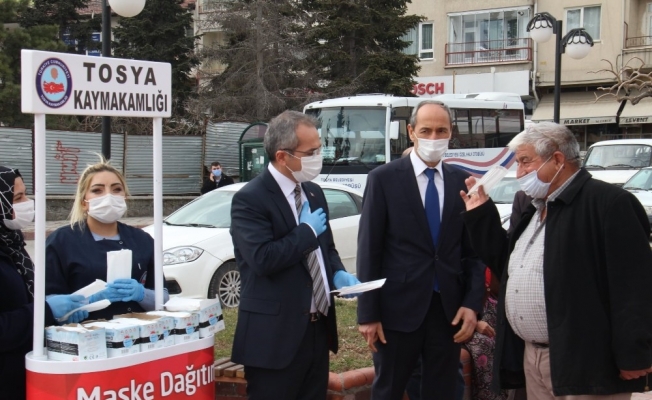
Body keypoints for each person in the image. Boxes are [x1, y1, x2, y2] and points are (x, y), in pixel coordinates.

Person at [460, 122, 652, 399]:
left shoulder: (608, 203)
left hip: (586, 362)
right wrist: (481, 215)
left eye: (525, 161)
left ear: (558, 159)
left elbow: (634, 286)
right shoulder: (535, 208)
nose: (519, 172)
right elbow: (507, 266)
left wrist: (634, 354)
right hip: (533, 356)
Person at [356, 100, 486, 400]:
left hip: (448, 312)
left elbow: (473, 252)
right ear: (411, 131)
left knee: (443, 392)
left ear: (451, 133)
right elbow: (369, 250)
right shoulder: (383, 179)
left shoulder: (462, 181)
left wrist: (472, 304)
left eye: (442, 130)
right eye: (426, 130)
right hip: (396, 312)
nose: (434, 137)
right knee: (388, 390)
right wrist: (367, 314)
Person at [229, 110, 360, 400]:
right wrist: (305, 232)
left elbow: (326, 248)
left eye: (319, 149)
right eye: (311, 152)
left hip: (316, 330)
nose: (318, 157)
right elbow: (262, 259)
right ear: (282, 156)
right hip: (273, 339)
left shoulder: (313, 192)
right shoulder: (250, 199)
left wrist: (337, 273)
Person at [0, 166, 88, 400]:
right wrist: (45, 310)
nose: (27, 203)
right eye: (18, 197)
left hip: (25, 373)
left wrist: (55, 313)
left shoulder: (11, 244)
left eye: (25, 194)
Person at [46, 160, 168, 321]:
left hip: (137, 331)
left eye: (116, 189)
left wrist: (142, 294)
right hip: (85, 332)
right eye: (97, 190)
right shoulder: (61, 241)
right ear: (84, 202)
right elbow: (46, 300)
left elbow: (164, 297)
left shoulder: (142, 240)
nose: (109, 196)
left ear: (125, 198)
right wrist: (83, 303)